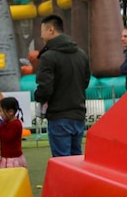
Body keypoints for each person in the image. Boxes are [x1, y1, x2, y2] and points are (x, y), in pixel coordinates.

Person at [35, 14, 91, 157]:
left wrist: (39, 97)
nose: (41, 36)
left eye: (42, 31)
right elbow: (85, 82)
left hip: (59, 115)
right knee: (76, 159)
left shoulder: (48, 57)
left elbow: (45, 89)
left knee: (62, 160)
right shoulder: (81, 54)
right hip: (78, 114)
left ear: (51, 30)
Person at [0, 96, 27, 169]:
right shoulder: (5, 123)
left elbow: (7, 138)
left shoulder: (16, 124)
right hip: (5, 156)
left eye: (1, 111)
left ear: (11, 112)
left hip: (13, 158)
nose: (0, 114)